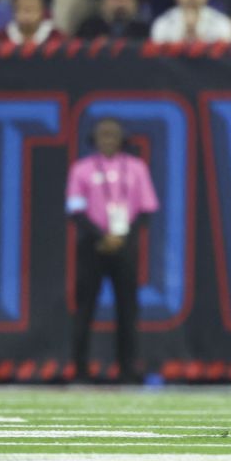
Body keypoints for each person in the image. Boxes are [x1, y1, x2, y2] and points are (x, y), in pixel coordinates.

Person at [65, 117, 160, 383]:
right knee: (84, 307)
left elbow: (146, 210)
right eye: (102, 135)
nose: (107, 139)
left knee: (127, 309)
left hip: (125, 245)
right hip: (92, 245)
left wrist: (122, 236)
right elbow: (75, 210)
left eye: (112, 134)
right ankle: (80, 371)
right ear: (94, 139)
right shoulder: (81, 169)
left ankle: (127, 370)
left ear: (121, 138)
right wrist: (102, 236)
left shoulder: (136, 168)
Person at [75, 0, 150, 40]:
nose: (120, 4)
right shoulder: (89, 28)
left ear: (135, 3)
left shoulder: (144, 31)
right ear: (104, 1)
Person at [0, 0, 65, 44]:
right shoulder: (2, 36)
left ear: (41, 11)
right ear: (14, 12)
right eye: (22, 9)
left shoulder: (55, 35)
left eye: (31, 9)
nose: (26, 14)